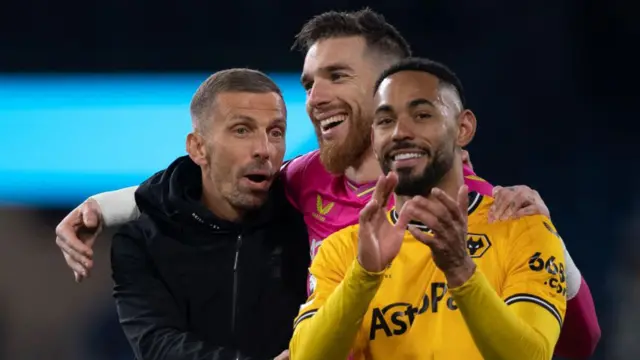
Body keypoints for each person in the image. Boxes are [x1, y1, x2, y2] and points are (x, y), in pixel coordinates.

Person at [54, 9, 599, 358]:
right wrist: (103, 208)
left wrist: (558, 253)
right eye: (309, 82)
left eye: (337, 76)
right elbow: (198, 183)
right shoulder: (303, 180)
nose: (314, 98)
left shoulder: (480, 209)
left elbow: (581, 339)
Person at [290, 57, 567, 360]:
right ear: (374, 137)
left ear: (463, 128)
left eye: (422, 115)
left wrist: (461, 271)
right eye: (385, 121)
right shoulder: (344, 251)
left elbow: (531, 355)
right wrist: (365, 275)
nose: (399, 132)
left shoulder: (522, 228)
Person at [111, 68, 308, 360]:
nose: (264, 149)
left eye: (275, 132)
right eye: (242, 130)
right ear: (198, 147)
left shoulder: (305, 221)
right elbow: (158, 345)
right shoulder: (142, 242)